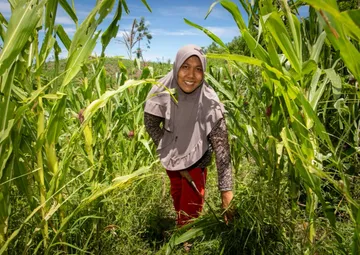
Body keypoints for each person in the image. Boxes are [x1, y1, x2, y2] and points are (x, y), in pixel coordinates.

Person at [144, 44, 233, 226]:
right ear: (176, 66)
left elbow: (222, 152)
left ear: (204, 72)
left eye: (198, 69)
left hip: (197, 160)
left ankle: (186, 241)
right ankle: (181, 226)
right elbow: (151, 123)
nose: (191, 75)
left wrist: (226, 193)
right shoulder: (162, 90)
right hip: (172, 155)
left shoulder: (210, 102)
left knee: (191, 206)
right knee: (177, 195)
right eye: (185, 67)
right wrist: (171, 152)